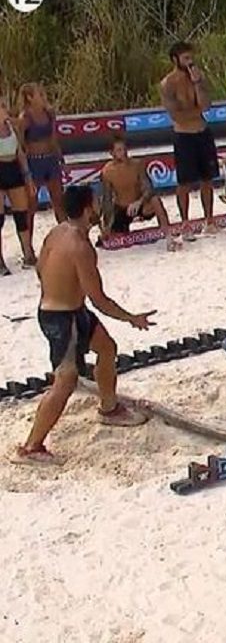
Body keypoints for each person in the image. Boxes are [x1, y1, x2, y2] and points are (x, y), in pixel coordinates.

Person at [11, 185, 155, 465]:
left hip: (68, 311)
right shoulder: (81, 247)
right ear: (88, 209)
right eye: (97, 202)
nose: (101, 205)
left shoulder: (57, 232)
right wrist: (131, 318)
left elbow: (40, 268)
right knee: (65, 381)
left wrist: (61, 287)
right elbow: (99, 299)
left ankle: (109, 408)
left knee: (107, 348)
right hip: (63, 319)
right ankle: (31, 447)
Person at [160, 41, 221, 239]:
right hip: (184, 134)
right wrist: (196, 111)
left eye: (191, 57)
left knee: (207, 179)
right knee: (184, 182)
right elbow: (177, 115)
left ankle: (209, 220)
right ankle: (185, 223)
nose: (190, 62)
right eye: (185, 58)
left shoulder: (197, 77)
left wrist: (197, 84)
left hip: (202, 131)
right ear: (175, 60)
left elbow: (207, 105)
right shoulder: (168, 83)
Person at [98, 133, 183, 251]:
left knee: (155, 200)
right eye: (119, 150)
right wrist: (106, 225)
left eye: (124, 149)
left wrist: (139, 202)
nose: (124, 152)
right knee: (115, 236)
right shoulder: (107, 171)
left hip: (140, 205)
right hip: (122, 208)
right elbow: (107, 200)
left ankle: (168, 237)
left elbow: (149, 189)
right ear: (112, 153)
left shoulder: (137, 165)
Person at [16, 82, 67, 230]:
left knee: (58, 202)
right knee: (31, 206)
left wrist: (60, 158)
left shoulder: (49, 113)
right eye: (40, 94)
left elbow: (53, 138)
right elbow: (20, 144)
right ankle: (28, 242)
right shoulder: (25, 117)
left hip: (50, 159)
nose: (43, 96)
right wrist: (24, 170)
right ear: (30, 97)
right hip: (34, 162)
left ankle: (66, 235)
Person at [0, 98, 38, 274]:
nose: (5, 109)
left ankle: (28, 254)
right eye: (1, 107)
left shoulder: (12, 127)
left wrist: (28, 178)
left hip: (13, 169)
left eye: (4, 106)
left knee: (21, 214)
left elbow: (20, 153)